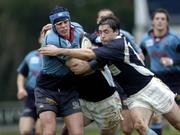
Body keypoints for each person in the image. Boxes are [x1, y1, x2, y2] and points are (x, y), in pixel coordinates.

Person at [38, 16, 180, 135]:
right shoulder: (103, 40)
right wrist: (56, 29)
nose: (102, 35)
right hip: (134, 96)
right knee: (140, 126)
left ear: (116, 32)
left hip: (150, 87)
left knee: (177, 123)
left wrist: (59, 51)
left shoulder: (118, 44)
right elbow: (84, 34)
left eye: (106, 32)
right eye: (100, 32)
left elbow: (88, 53)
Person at [34, 6, 84, 135]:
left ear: (69, 21)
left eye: (66, 22)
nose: (63, 26)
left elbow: (86, 40)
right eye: (59, 24)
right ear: (53, 26)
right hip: (47, 90)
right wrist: (94, 58)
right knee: (50, 131)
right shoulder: (52, 40)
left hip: (69, 89)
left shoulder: (77, 28)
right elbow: (75, 65)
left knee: (77, 132)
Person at [139, 8, 180, 135]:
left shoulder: (174, 39)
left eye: (163, 19)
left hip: (175, 79)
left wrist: (172, 62)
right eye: (157, 19)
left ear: (167, 22)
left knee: (177, 118)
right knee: (157, 115)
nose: (160, 21)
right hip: (157, 79)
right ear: (153, 22)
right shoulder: (146, 39)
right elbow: (142, 55)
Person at [17, 33, 44, 135]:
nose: (45, 38)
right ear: (39, 39)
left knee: (40, 131)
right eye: (43, 36)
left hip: (47, 95)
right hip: (31, 95)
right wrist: (20, 89)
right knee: (25, 131)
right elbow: (21, 74)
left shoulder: (55, 56)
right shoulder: (31, 56)